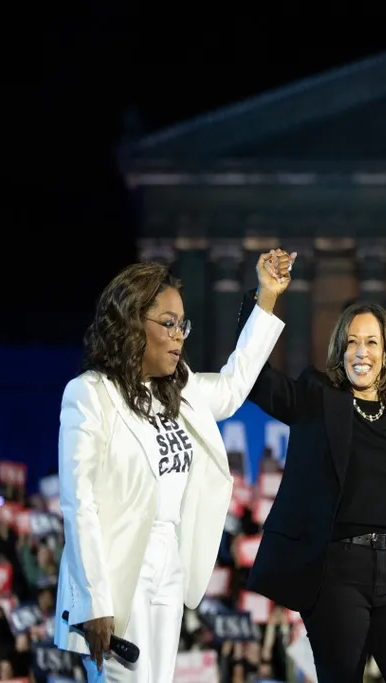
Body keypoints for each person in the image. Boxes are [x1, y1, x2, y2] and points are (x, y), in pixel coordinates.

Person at [54, 249, 295, 682]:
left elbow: (234, 384)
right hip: (119, 575)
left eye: (182, 323)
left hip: (170, 568)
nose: (179, 335)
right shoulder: (90, 394)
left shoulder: (178, 392)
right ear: (130, 325)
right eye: (168, 323)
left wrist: (266, 299)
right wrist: (95, 602)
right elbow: (80, 503)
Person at [240, 296, 386, 683]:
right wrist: (266, 298)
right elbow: (257, 380)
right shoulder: (318, 400)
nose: (361, 352)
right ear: (340, 350)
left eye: (371, 342)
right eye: (351, 342)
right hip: (337, 577)